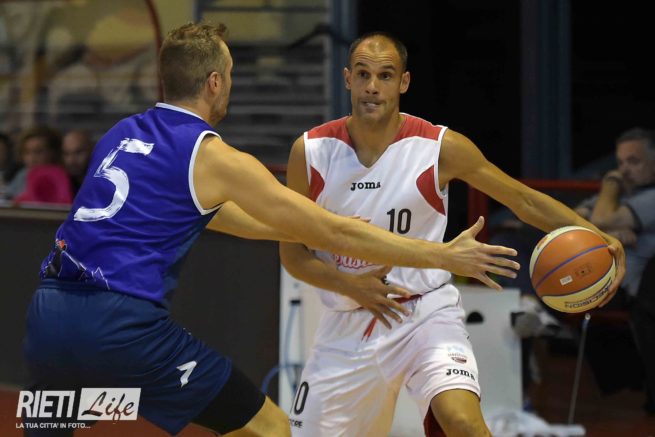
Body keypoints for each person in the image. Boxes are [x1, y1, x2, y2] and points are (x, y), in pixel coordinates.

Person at [22, 23, 522, 437]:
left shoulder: (120, 134)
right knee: (269, 427)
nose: (231, 85)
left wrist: (302, 230)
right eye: (231, 75)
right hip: (121, 324)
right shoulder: (213, 155)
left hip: (48, 311)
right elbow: (333, 234)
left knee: (55, 423)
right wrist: (441, 256)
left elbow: (218, 216)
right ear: (214, 82)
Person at [279, 31, 626, 437]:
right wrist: (349, 285)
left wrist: (596, 235)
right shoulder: (311, 152)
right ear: (347, 79)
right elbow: (292, 254)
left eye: (385, 75)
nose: (372, 87)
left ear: (404, 82)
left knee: (464, 423)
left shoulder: (439, 147)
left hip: (424, 313)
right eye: (363, 74)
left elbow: (522, 199)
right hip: (347, 321)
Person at [575, 126, 655, 412]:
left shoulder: (649, 197)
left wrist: (609, 183)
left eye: (634, 161)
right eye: (620, 163)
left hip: (633, 291)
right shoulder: (618, 198)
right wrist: (613, 234)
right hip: (597, 280)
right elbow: (570, 222)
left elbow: (599, 220)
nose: (624, 171)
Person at [61, 128, 94, 195]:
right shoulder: (60, 184)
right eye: (66, 154)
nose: (71, 160)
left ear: (91, 150)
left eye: (78, 152)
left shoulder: (104, 183)